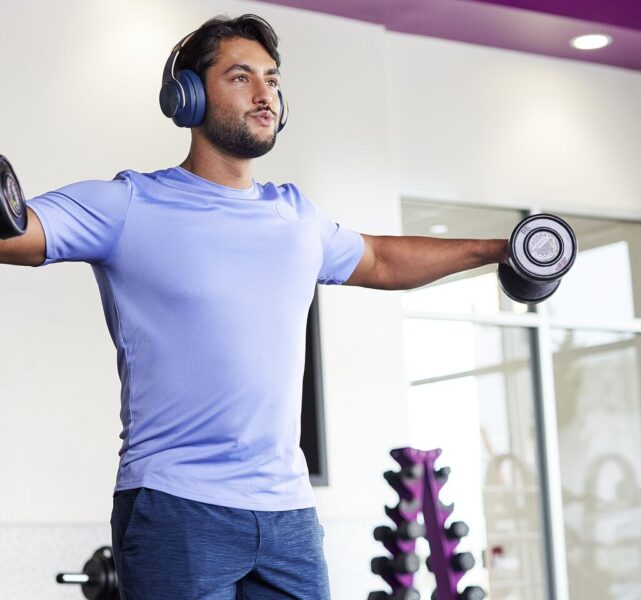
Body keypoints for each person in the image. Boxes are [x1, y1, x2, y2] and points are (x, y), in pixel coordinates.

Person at [0, 14, 508, 600]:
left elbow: (381, 260)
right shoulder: (128, 205)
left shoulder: (296, 216)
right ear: (186, 97)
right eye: (241, 77)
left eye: (271, 79)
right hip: (177, 506)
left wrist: (495, 250)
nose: (265, 94)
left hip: (289, 515)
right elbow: (17, 231)